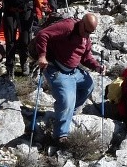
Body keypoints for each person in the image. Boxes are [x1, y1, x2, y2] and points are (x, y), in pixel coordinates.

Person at [34, 13, 106, 147]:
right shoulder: (68, 26)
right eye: (86, 30)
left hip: (73, 71)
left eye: (90, 32)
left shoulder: (86, 36)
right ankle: (60, 135)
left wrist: (97, 66)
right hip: (57, 69)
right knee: (67, 99)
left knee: (88, 86)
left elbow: (85, 56)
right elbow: (42, 35)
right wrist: (42, 56)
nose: (87, 34)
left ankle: (66, 114)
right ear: (82, 23)